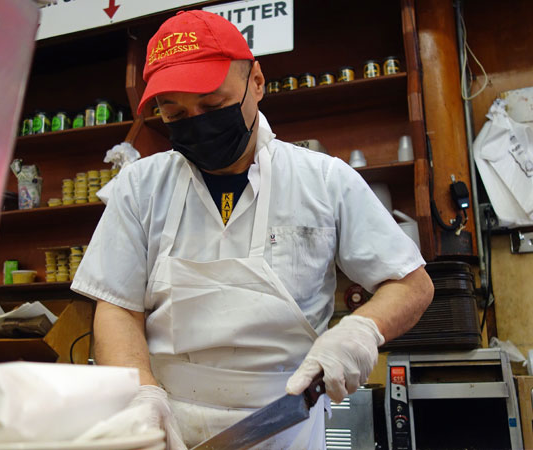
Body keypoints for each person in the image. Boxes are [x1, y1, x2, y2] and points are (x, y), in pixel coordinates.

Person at [71, 9, 434, 449]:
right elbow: (117, 306)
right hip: (169, 424)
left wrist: (360, 331)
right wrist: (141, 395)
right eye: (176, 112)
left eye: (213, 105)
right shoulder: (139, 188)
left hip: (287, 422)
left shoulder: (324, 180)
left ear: (256, 82)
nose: (197, 122)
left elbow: (411, 284)